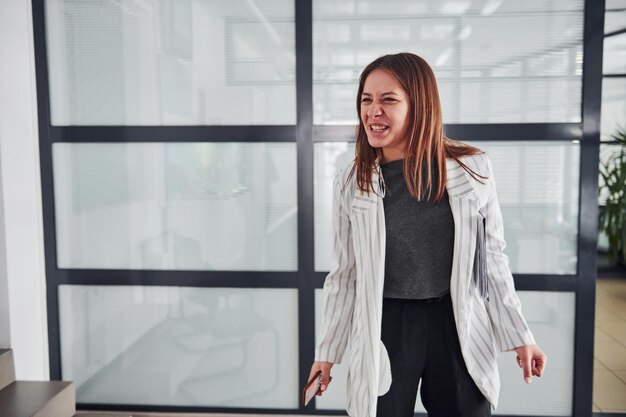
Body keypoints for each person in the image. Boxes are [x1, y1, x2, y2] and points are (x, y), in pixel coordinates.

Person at [308, 52, 547, 417]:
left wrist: (520, 337)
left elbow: (493, 261)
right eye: (366, 100)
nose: (373, 111)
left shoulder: (471, 168)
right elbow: (345, 273)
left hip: (454, 321)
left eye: (388, 100)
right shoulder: (352, 181)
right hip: (387, 324)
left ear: (420, 105)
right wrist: (327, 351)